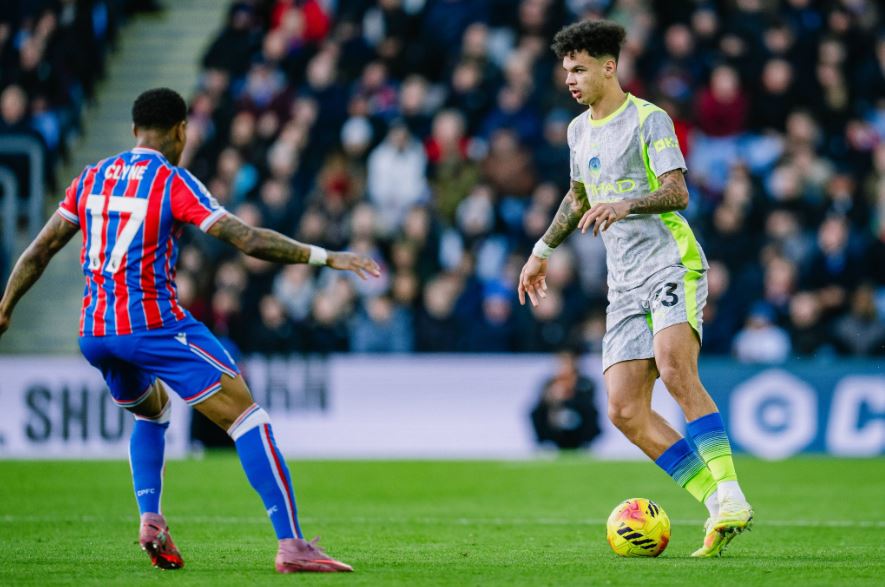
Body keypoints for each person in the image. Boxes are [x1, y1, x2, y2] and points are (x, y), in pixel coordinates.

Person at [0, 88, 380, 573]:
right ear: (182, 130)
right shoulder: (173, 180)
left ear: (135, 130)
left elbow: (41, 247)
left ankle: (152, 519)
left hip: (95, 332)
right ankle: (293, 545)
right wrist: (325, 256)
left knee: (152, 413)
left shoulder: (92, 178)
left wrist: (6, 306)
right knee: (248, 419)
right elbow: (246, 238)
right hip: (152, 324)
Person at [517, 21, 753, 557]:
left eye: (579, 69)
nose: (570, 80)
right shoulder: (578, 132)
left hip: (671, 262)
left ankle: (734, 492)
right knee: (624, 411)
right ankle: (715, 501)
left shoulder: (649, 120)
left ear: (608, 66)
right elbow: (577, 197)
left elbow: (678, 192)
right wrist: (540, 252)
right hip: (622, 282)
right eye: (565, 71)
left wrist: (625, 204)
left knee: (674, 368)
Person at [530, 350, 600, 450]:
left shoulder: (585, 382)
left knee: (589, 413)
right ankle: (546, 443)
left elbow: (589, 402)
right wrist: (553, 397)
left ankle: (584, 442)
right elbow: (541, 402)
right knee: (536, 412)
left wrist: (571, 395)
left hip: (579, 414)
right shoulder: (549, 382)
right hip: (554, 415)